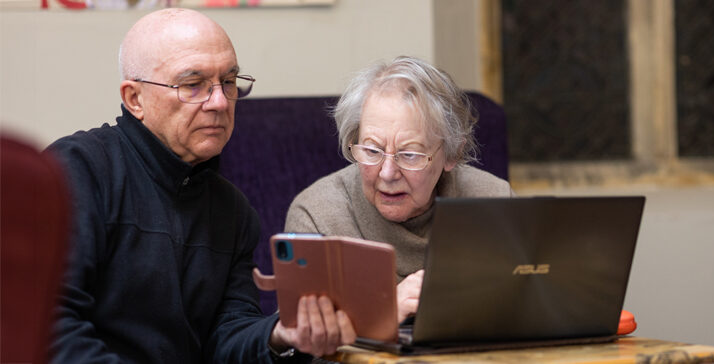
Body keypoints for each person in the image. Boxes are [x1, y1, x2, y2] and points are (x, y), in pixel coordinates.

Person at [46, 8, 354, 363]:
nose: (221, 102)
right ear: (135, 99)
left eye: (228, 82)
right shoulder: (77, 171)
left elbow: (227, 337)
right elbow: (49, 327)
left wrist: (278, 334)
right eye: (193, 85)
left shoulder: (233, 210)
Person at [284, 56, 515, 322]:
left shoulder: (495, 203)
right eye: (372, 150)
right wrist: (385, 312)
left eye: (410, 154)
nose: (387, 173)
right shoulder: (318, 218)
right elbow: (303, 348)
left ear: (452, 153)